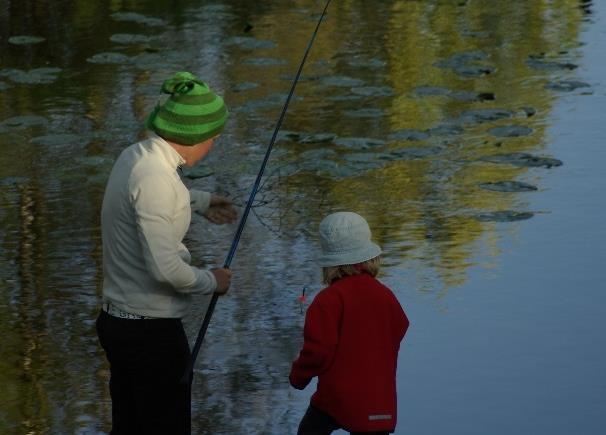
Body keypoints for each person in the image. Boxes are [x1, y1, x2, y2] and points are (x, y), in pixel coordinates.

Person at [95, 71, 237, 435]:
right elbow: (166, 269)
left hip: (121, 326)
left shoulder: (137, 157)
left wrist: (202, 201)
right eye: (214, 135)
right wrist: (213, 282)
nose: (216, 140)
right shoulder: (156, 179)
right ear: (195, 137)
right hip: (150, 338)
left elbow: (146, 206)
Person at [290, 212, 410, 435]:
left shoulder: (329, 300)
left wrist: (298, 377)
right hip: (379, 402)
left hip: (336, 400)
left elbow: (318, 352)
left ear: (330, 263)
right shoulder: (386, 295)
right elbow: (400, 325)